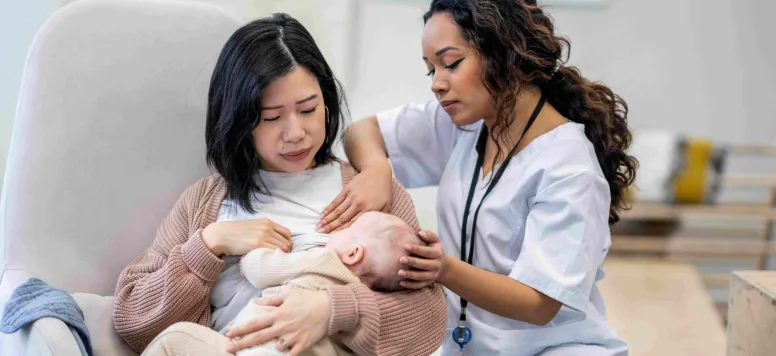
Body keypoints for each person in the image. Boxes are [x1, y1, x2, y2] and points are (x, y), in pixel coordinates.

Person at [113, 13, 446, 356]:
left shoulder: (368, 194)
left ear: (326, 104)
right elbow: (132, 319)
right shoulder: (205, 202)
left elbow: (430, 317)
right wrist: (211, 243)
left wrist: (333, 309)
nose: (295, 133)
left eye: (308, 109)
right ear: (239, 121)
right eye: (271, 117)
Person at [321, 0, 638, 355]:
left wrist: (443, 269)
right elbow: (361, 132)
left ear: (505, 54)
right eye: (431, 70)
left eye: (451, 63)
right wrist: (379, 169)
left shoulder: (569, 169)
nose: (437, 84)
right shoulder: (465, 126)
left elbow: (538, 304)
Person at [144, 212, 425, 356]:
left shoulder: (323, 259)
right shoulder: (363, 296)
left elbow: (262, 271)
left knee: (175, 339)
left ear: (353, 253)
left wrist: (251, 255)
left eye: (348, 231)